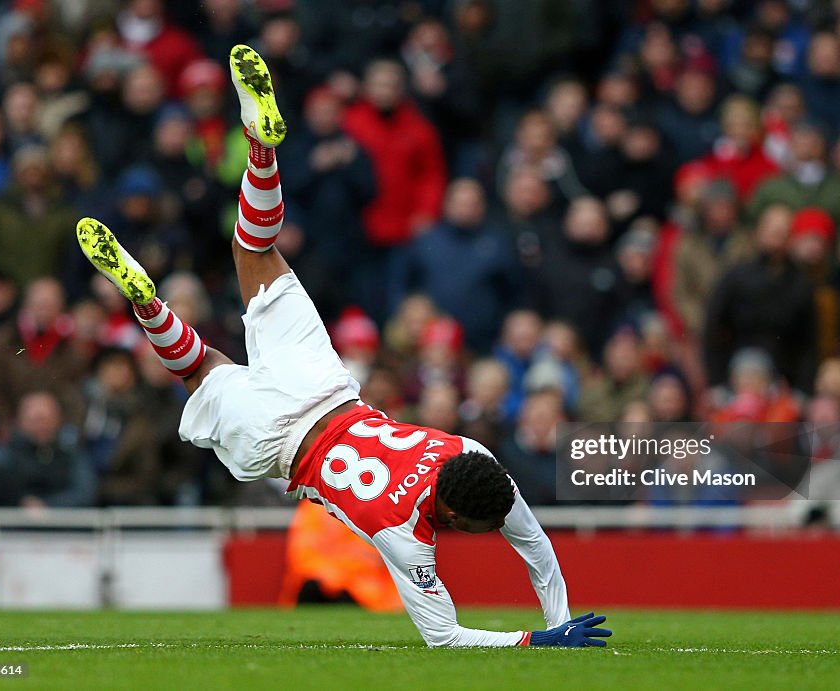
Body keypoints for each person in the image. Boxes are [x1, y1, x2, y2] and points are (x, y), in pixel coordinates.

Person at [74, 45, 610, 649]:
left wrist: (559, 616)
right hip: (282, 445)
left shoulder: (470, 451)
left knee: (252, 251)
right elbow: (448, 637)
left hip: (327, 387)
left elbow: (530, 542)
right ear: (454, 518)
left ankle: (260, 147)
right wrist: (542, 636)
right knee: (203, 368)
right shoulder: (406, 533)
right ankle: (149, 306)